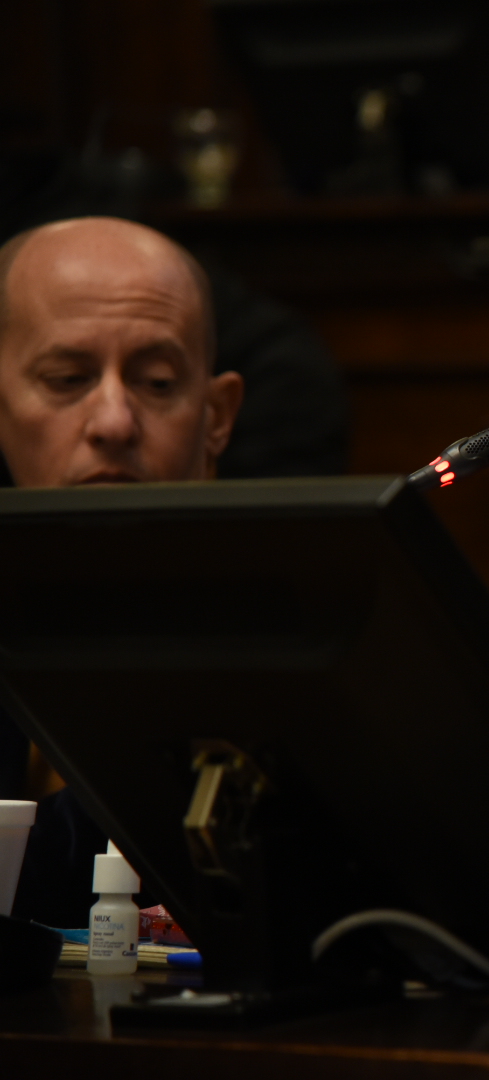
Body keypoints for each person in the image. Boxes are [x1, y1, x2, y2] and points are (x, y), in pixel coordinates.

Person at [0, 216, 245, 925]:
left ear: (217, 416)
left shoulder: (295, 650)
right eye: (68, 379)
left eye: (157, 382)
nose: (114, 421)